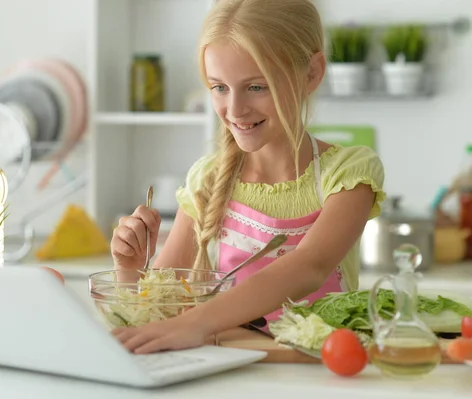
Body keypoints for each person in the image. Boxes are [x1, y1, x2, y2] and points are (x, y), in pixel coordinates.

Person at [110, 0, 385, 354]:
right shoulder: (206, 180)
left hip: (317, 376)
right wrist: (129, 269)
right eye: (219, 87)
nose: (235, 109)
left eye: (256, 87)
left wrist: (197, 322)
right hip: (230, 376)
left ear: (312, 73)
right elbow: (156, 314)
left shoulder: (348, 173)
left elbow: (309, 266)